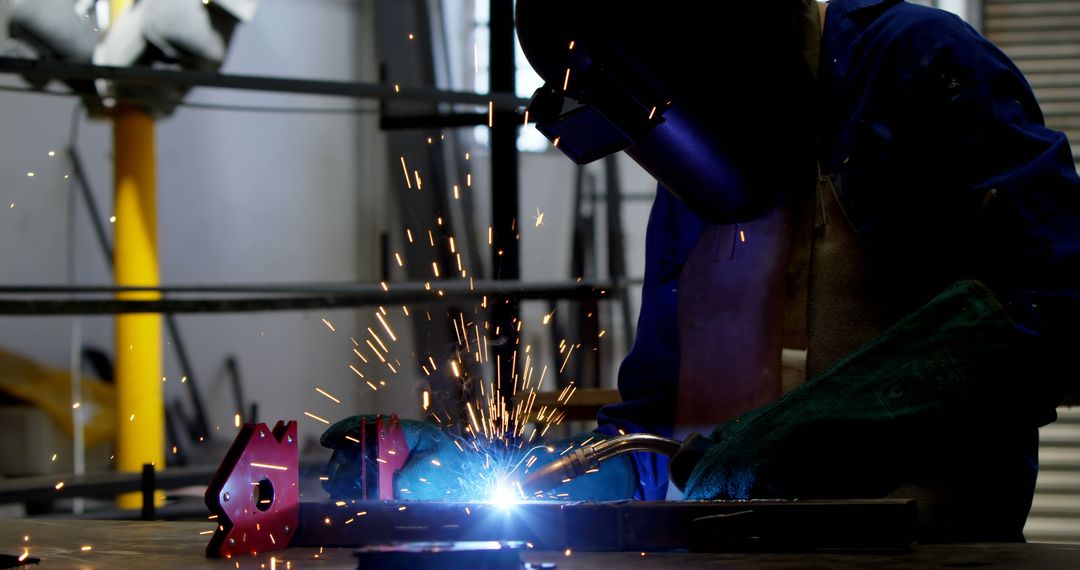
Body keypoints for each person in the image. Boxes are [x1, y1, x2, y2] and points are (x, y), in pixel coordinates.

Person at [515, 0, 1080, 541]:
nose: (667, 156)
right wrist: (559, 473)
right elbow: (660, 422)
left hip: (932, 558)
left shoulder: (918, 63)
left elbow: (1058, 304)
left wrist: (834, 422)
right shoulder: (689, 181)